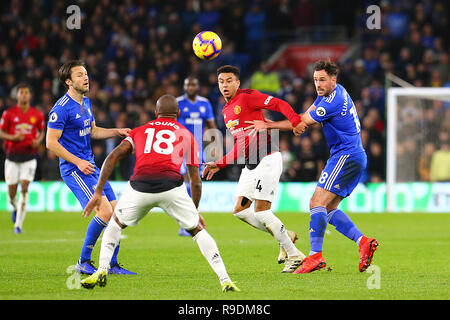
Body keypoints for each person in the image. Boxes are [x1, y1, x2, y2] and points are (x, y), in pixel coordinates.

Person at [80, 94, 239, 292]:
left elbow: (112, 157)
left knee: (115, 224)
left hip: (140, 186)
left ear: (155, 113)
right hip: (171, 187)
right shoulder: (186, 135)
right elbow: (195, 181)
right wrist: (194, 211)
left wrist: (98, 191)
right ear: (179, 114)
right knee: (198, 231)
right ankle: (225, 279)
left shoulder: (140, 130)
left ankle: (101, 270)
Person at [245, 60, 379, 273]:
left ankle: (315, 256)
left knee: (316, 202)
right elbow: (303, 118)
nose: (318, 84)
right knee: (328, 208)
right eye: (316, 80)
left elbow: (302, 121)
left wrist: (269, 124)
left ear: (333, 80)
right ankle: (363, 242)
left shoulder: (331, 102)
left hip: (345, 155)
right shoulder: (335, 92)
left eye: (323, 79)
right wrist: (299, 123)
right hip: (352, 155)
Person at [202, 65, 306, 273]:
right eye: (221, 81)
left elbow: (278, 103)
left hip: (267, 157)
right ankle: (285, 235)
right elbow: (240, 145)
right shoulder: (225, 111)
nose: (225, 85)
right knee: (240, 211)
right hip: (250, 164)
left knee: (262, 211)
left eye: (229, 80)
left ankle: (295, 254)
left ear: (238, 83)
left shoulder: (248, 97)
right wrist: (220, 163)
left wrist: (295, 121)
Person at [46, 60, 135, 275]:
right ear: (68, 82)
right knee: (104, 210)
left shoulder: (86, 103)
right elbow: (50, 142)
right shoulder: (61, 109)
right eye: (79, 75)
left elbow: (93, 131)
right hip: (74, 170)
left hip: (91, 167)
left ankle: (112, 264)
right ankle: (83, 261)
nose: (85, 78)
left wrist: (117, 131)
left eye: (86, 74)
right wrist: (77, 161)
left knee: (117, 212)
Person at [0, 83, 45, 234]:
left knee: (24, 188)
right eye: (21, 93)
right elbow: (1, 132)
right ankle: (14, 206)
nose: (24, 95)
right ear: (17, 95)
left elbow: (41, 132)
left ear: (30, 96)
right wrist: (13, 137)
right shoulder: (9, 114)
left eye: (26, 92)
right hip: (12, 158)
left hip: (29, 157)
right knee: (12, 194)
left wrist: (38, 141)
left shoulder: (36, 115)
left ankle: (18, 226)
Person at [176, 76, 217, 236]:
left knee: (196, 180)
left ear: (197, 86)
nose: (190, 87)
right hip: (181, 147)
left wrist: (214, 147)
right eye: (187, 84)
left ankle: (191, 218)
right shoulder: (178, 102)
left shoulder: (205, 103)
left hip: (198, 147)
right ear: (184, 87)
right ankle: (187, 222)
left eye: (193, 84)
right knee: (187, 178)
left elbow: (212, 126)